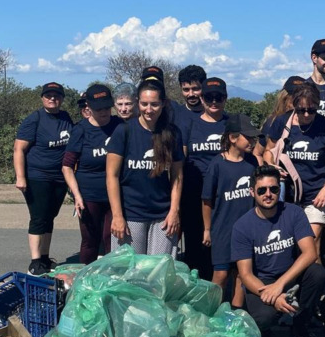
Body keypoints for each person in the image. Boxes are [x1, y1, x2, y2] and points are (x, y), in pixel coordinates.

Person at [230, 164, 325, 337]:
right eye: (262, 190)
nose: (268, 194)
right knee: (264, 318)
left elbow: (310, 253)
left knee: (317, 273)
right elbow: (245, 274)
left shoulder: (293, 212)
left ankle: (300, 330)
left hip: (289, 276)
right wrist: (273, 296)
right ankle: (265, 329)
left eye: (273, 189)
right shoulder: (242, 226)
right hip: (262, 282)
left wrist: (280, 285)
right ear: (252, 192)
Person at [105, 78, 185, 257]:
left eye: (154, 104)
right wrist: (117, 216)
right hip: (130, 215)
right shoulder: (124, 131)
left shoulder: (172, 133)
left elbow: (177, 176)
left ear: (163, 104)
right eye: (144, 104)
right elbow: (112, 176)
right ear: (137, 103)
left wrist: (174, 211)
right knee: (129, 271)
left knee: (158, 271)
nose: (149, 110)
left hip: (163, 216)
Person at [268, 82, 325, 246]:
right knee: (289, 244)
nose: (307, 114)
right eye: (302, 110)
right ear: (294, 105)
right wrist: (272, 166)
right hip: (287, 194)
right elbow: (268, 151)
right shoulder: (282, 122)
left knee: (310, 243)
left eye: (312, 110)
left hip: (316, 193)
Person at [14, 81, 75, 275]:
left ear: (62, 99)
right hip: (38, 176)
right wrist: (20, 177)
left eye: (56, 96)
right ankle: (35, 262)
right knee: (38, 218)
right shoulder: (35, 119)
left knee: (50, 217)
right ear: (42, 98)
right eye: (48, 95)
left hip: (60, 177)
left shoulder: (65, 117)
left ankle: (45, 257)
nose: (52, 98)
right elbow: (19, 149)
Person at [202, 112, 261, 310]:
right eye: (248, 137)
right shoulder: (217, 164)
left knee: (241, 274)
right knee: (221, 274)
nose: (252, 141)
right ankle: (211, 312)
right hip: (222, 229)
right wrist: (207, 229)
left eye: (254, 137)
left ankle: (235, 313)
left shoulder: (252, 162)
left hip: (246, 231)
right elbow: (207, 200)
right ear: (233, 138)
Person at [62, 83, 120, 265]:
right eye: (99, 109)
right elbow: (67, 166)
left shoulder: (120, 126)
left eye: (107, 107)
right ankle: (86, 275)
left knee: (112, 238)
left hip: (115, 194)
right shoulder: (80, 130)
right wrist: (77, 196)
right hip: (89, 195)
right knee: (90, 240)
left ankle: (112, 276)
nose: (104, 112)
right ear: (88, 107)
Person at [182, 75, 230, 275]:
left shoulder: (231, 124)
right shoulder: (190, 124)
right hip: (195, 194)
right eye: (209, 97)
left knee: (219, 244)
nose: (214, 102)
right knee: (195, 244)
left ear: (225, 98)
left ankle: (218, 286)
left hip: (223, 195)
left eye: (219, 97)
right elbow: (182, 160)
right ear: (202, 99)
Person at [260, 75, 304, 166]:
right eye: (294, 97)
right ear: (285, 97)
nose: (299, 101)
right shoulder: (272, 122)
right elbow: (258, 153)